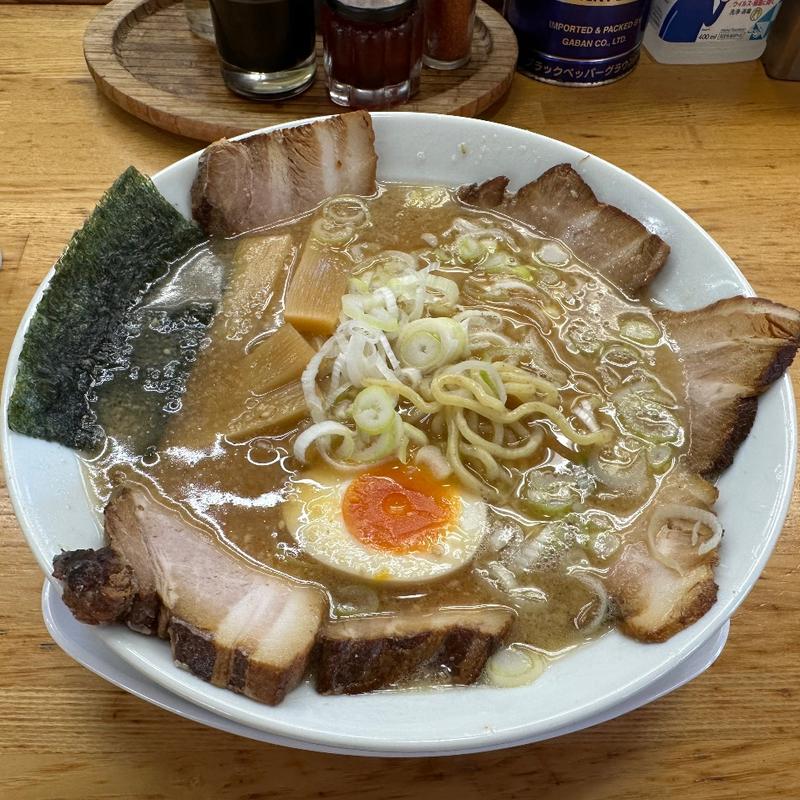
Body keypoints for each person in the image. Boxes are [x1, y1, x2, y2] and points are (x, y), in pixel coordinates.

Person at [659, 0, 729, 43]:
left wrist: (722, 3)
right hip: (678, 26)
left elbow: (707, 22)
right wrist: (722, 3)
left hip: (688, 33)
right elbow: (708, 22)